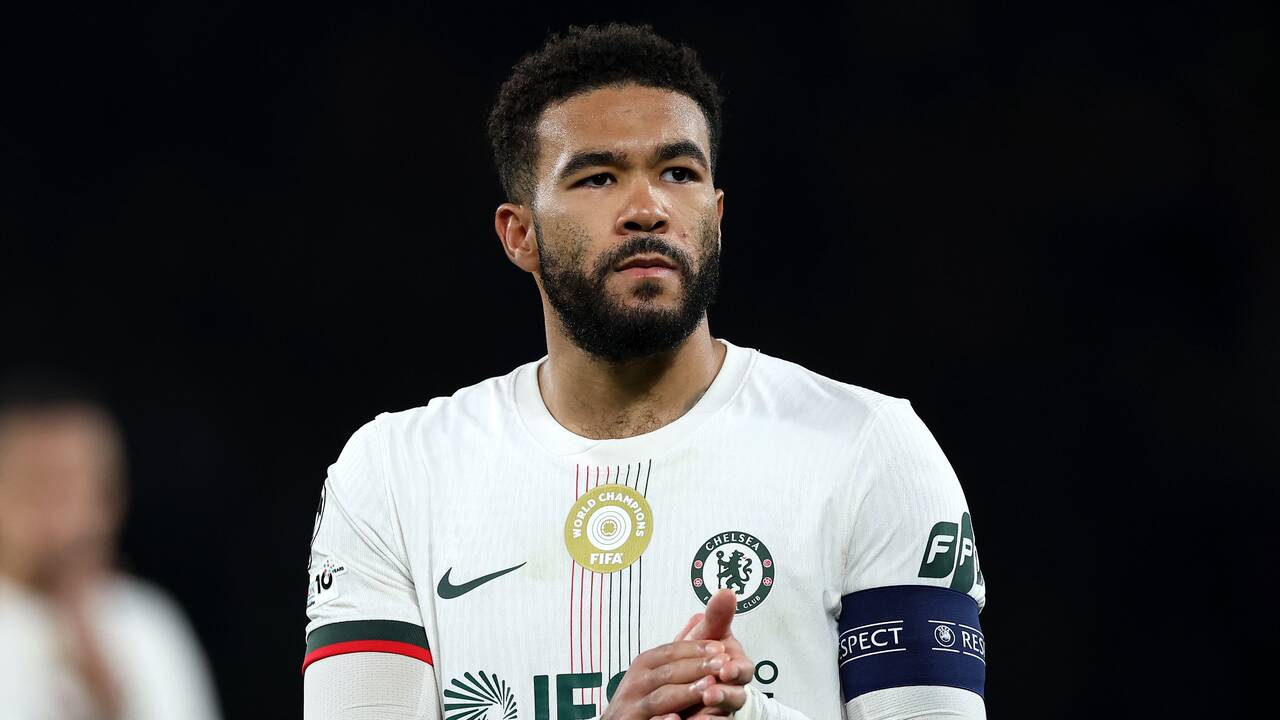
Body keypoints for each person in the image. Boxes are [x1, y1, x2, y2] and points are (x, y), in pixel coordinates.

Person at [304, 23, 986, 720]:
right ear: (519, 234)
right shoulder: (395, 476)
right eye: (597, 178)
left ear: (716, 215)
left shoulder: (870, 449)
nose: (648, 210)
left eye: (679, 173)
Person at [0, 375, 222, 720]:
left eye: (73, 488)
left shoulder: (147, 623)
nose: (61, 518)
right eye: (37, 487)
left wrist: (110, 702)